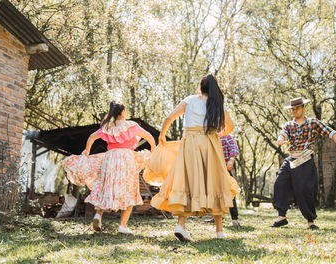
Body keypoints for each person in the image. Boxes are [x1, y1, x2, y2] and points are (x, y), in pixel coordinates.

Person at [147, 74, 240, 241]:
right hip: (210, 143)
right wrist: (219, 134)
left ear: (201, 86)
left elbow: (168, 118)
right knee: (215, 182)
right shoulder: (218, 104)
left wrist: (162, 135)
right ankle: (219, 232)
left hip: (189, 144)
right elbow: (230, 126)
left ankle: (180, 226)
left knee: (188, 182)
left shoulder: (190, 100)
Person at [62, 102, 156, 234]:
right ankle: (122, 226)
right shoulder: (131, 125)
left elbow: (91, 137)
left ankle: (98, 215)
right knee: (129, 190)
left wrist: (87, 151)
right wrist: (153, 151)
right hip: (126, 159)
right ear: (123, 112)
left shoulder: (108, 127)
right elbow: (150, 137)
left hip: (109, 159)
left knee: (105, 187)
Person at [271, 97, 336, 230]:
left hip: (305, 160)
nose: (294, 111)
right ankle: (281, 217)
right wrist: (280, 139)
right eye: (292, 109)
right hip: (291, 159)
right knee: (280, 183)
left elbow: (332, 133)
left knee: (304, 191)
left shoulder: (313, 122)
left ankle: (310, 221)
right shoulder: (289, 125)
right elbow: (282, 134)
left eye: (297, 108)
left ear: (303, 108)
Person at [221, 134, 240, 226]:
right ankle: (216, 216)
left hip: (228, 166)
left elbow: (234, 148)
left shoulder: (227, 136)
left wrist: (231, 160)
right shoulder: (212, 137)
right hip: (218, 167)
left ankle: (234, 219)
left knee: (230, 191)